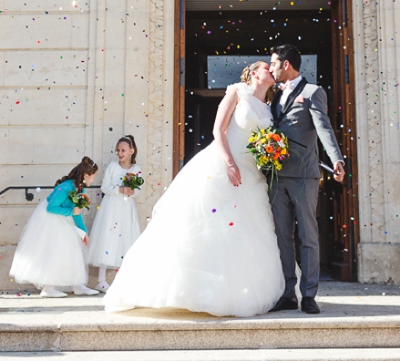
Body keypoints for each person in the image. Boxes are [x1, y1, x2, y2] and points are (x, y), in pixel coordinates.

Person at [104, 62, 284, 317]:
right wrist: (230, 163)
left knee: (245, 232)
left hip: (251, 174)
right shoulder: (236, 92)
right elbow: (218, 130)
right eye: (267, 67)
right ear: (254, 73)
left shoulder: (269, 107)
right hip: (224, 164)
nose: (271, 70)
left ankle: (235, 292)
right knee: (207, 224)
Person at [268, 44, 345, 315]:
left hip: (304, 175)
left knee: (307, 235)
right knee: (282, 237)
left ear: (286, 64)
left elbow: (324, 128)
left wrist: (336, 159)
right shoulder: (274, 95)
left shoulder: (313, 92)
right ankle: (288, 293)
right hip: (277, 176)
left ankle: (309, 294)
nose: (271, 68)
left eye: (274, 64)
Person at [10, 157, 100, 298]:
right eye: (93, 177)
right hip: (51, 220)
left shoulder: (77, 188)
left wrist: (83, 232)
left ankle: (78, 285)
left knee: (72, 249)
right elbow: (51, 207)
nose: (94, 180)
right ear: (86, 176)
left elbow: (77, 213)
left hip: (62, 219)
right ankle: (48, 288)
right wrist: (71, 212)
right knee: (55, 251)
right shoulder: (66, 187)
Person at [87, 135, 142, 292]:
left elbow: (138, 190)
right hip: (111, 207)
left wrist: (132, 191)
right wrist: (120, 189)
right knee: (108, 238)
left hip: (127, 208)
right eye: (118, 150)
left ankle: (127, 280)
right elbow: (105, 187)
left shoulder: (136, 170)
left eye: (123, 150)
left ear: (131, 151)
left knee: (127, 238)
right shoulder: (112, 166)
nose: (120, 153)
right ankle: (101, 279)